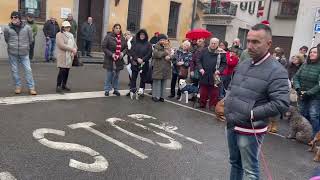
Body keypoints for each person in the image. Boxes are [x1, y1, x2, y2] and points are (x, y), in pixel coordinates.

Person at [224, 23, 290, 180]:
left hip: (250, 129)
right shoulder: (244, 63)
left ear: (269, 44)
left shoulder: (277, 70)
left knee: (250, 172)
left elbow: (281, 103)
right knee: (235, 163)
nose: (250, 46)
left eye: (256, 42)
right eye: (248, 41)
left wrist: (251, 113)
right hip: (233, 123)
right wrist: (227, 104)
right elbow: (234, 88)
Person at [3, 11, 37, 95]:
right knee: (14, 70)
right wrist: (12, 46)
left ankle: (31, 88)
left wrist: (25, 46)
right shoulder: (7, 28)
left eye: (15, 17)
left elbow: (31, 39)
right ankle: (18, 86)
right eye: (12, 17)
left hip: (24, 53)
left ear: (19, 18)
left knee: (28, 70)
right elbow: (6, 39)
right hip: (12, 53)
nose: (13, 19)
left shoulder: (27, 28)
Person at [293, 47, 320, 139]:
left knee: (313, 116)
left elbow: (319, 84)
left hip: (315, 96)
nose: (311, 54)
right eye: (311, 52)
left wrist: (308, 92)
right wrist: (297, 88)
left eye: (315, 52)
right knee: (301, 115)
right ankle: (299, 134)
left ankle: (315, 138)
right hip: (302, 94)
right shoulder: (305, 64)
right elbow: (296, 77)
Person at [198, 38, 226, 109]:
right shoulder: (204, 50)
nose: (213, 45)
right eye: (212, 43)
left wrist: (219, 70)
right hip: (204, 73)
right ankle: (202, 104)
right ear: (210, 43)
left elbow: (224, 64)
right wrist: (200, 68)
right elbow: (199, 60)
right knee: (203, 91)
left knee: (214, 92)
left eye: (215, 43)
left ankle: (213, 105)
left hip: (215, 74)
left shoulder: (221, 52)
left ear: (218, 44)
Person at [102, 24, 127, 96]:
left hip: (119, 60)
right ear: (113, 29)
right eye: (116, 28)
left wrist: (122, 53)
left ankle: (115, 89)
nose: (118, 29)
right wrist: (111, 54)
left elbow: (126, 48)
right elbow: (104, 47)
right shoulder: (108, 36)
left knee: (116, 75)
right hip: (110, 59)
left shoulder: (122, 38)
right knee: (109, 75)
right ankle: (107, 89)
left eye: (119, 28)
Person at [55, 21, 77, 93]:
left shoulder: (71, 35)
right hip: (62, 55)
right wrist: (72, 49)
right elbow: (61, 45)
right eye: (66, 27)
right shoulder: (59, 34)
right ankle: (58, 86)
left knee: (67, 71)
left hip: (69, 56)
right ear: (63, 27)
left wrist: (75, 50)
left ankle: (64, 85)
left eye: (69, 27)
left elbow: (74, 45)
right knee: (62, 70)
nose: (68, 28)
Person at [129, 29, 152, 98]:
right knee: (133, 77)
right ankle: (132, 90)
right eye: (141, 34)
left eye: (143, 35)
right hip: (135, 63)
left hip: (144, 63)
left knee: (143, 78)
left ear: (145, 36)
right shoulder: (135, 43)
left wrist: (143, 59)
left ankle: (141, 91)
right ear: (139, 35)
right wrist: (137, 58)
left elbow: (149, 53)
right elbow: (132, 52)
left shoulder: (148, 44)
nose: (142, 36)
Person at [151, 34, 172, 102]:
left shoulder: (168, 46)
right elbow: (156, 54)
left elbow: (173, 55)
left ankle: (162, 96)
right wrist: (164, 53)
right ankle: (155, 96)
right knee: (157, 82)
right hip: (158, 67)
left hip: (166, 67)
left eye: (164, 40)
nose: (163, 41)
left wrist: (170, 57)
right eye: (161, 40)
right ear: (159, 41)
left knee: (164, 83)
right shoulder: (156, 47)